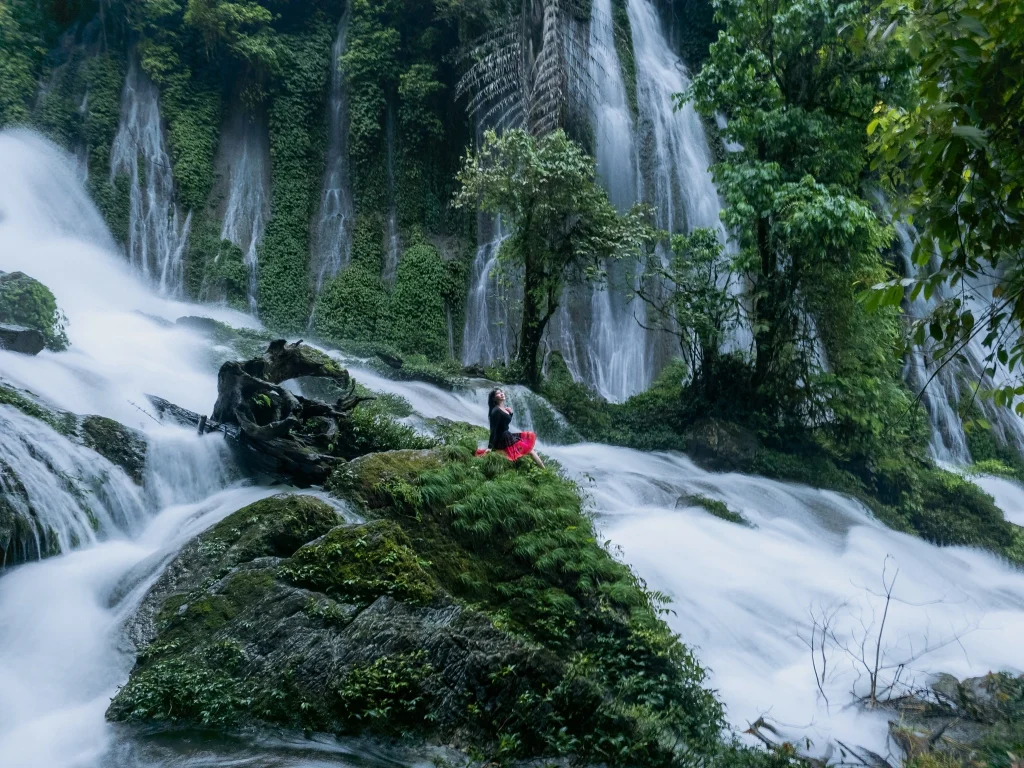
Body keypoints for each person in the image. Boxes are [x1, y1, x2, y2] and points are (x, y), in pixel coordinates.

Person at [477, 388, 545, 468]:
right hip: (502, 439)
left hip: (507, 435)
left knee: (528, 450)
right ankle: (544, 471)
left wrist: (511, 414)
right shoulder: (496, 411)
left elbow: (505, 423)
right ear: (494, 399)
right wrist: (490, 447)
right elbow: (493, 430)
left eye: (501, 392)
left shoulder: (503, 409)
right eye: (498, 393)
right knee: (529, 451)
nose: (502, 393)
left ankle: (542, 469)